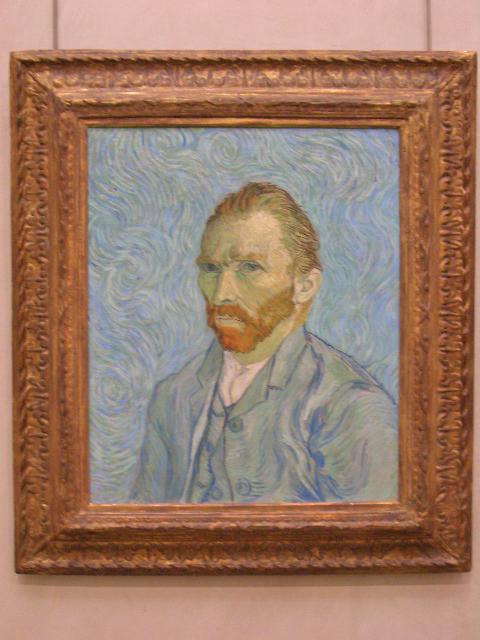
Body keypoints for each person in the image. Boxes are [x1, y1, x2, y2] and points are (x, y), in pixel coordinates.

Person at [131, 182, 398, 503]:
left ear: (304, 286)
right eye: (211, 268)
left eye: (249, 268)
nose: (221, 293)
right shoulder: (173, 397)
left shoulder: (351, 406)